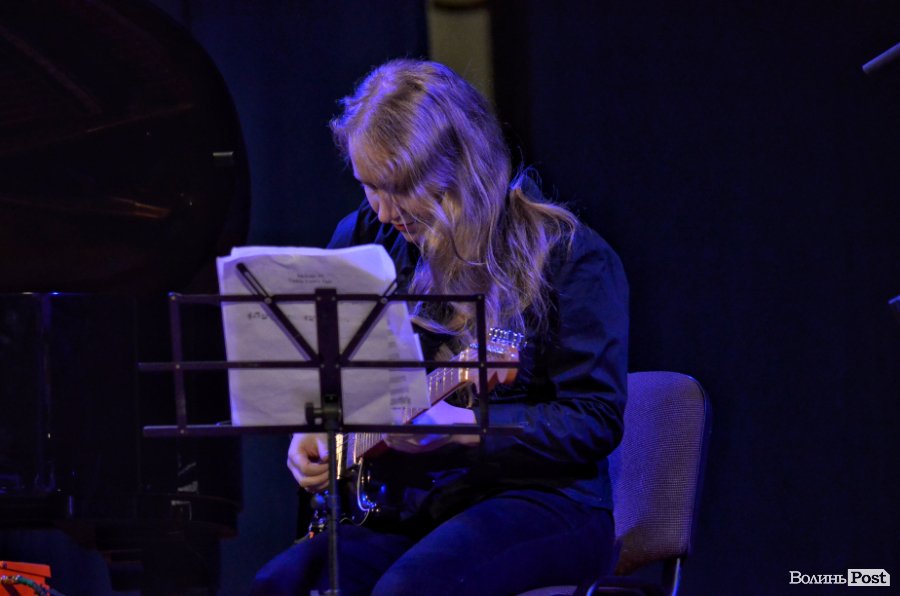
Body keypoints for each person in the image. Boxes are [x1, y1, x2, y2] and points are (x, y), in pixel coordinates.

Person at [251, 59, 628, 595]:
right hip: (413, 507)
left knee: (411, 589)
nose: (384, 211)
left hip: (542, 501)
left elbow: (593, 420)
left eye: (399, 187)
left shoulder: (569, 257)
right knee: (281, 583)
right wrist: (314, 431)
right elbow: (326, 377)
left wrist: (467, 428)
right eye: (368, 186)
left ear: (461, 166)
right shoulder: (366, 241)